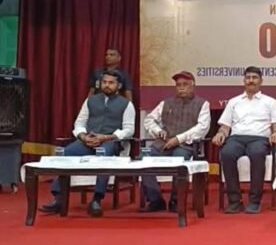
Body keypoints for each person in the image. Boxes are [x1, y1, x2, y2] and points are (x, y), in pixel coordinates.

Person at [40, 70, 135, 217]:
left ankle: (96, 200)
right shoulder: (90, 101)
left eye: (111, 83)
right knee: (66, 153)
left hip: (110, 142)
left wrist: (105, 137)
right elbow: (79, 123)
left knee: (104, 158)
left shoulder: (127, 105)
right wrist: (83, 137)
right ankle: (59, 198)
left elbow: (129, 130)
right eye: (104, 82)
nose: (107, 85)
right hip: (87, 141)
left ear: (119, 85)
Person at [212, 66, 276, 214]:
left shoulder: (270, 102)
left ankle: (254, 201)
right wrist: (220, 133)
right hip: (236, 138)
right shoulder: (234, 102)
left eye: (254, 78)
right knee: (227, 153)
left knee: (257, 153)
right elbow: (225, 126)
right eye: (248, 78)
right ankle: (234, 201)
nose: (251, 81)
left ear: (261, 81)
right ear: (244, 80)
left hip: (259, 138)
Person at [140, 71, 211, 212]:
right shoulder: (165, 103)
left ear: (193, 86)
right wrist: (157, 131)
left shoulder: (202, 104)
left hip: (186, 145)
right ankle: (155, 199)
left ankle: (176, 200)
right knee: (144, 158)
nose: (181, 88)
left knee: (179, 159)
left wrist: (178, 139)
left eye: (185, 85)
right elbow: (149, 120)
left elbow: (202, 128)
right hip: (163, 143)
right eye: (178, 85)